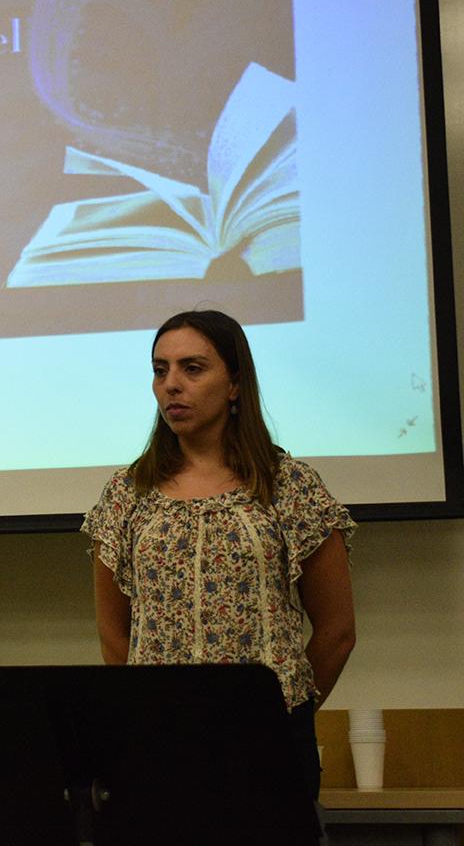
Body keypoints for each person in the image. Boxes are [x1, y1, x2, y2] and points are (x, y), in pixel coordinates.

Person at [83, 309, 356, 801]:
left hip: (266, 744)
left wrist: (283, 714)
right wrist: (148, 715)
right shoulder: (128, 493)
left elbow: (336, 632)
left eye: (192, 368)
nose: (171, 385)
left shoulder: (288, 486)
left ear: (234, 384)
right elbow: (112, 631)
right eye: (159, 369)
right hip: (156, 743)